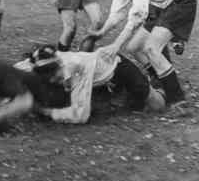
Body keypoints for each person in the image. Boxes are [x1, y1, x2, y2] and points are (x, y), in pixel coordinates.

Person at [90, 0, 196, 105]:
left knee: (151, 48)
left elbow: (139, 13)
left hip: (180, 3)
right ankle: (161, 83)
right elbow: (117, 12)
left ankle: (178, 102)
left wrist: (116, 45)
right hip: (162, 8)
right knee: (134, 48)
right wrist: (101, 32)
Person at [15, 44, 166, 124]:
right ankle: (118, 95)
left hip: (119, 69)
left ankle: (160, 84)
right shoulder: (41, 60)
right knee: (125, 105)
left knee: (157, 105)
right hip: (98, 80)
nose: (56, 80)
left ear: (59, 66)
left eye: (57, 76)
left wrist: (46, 112)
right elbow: (15, 70)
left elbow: (80, 116)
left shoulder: (76, 67)